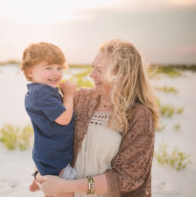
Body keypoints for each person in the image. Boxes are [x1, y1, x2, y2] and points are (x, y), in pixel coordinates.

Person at [33, 39, 159, 197]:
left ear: (121, 75)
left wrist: (65, 185)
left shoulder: (139, 115)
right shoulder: (80, 98)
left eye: (99, 70)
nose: (91, 75)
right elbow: (49, 135)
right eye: (93, 67)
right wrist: (41, 174)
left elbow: (127, 178)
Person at [20, 42, 77, 195]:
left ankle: (37, 181)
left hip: (44, 150)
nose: (56, 73)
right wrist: (69, 95)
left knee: (43, 169)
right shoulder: (43, 93)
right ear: (30, 71)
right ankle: (42, 182)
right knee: (61, 187)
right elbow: (64, 118)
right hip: (54, 156)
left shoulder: (35, 91)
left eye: (59, 68)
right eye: (48, 68)